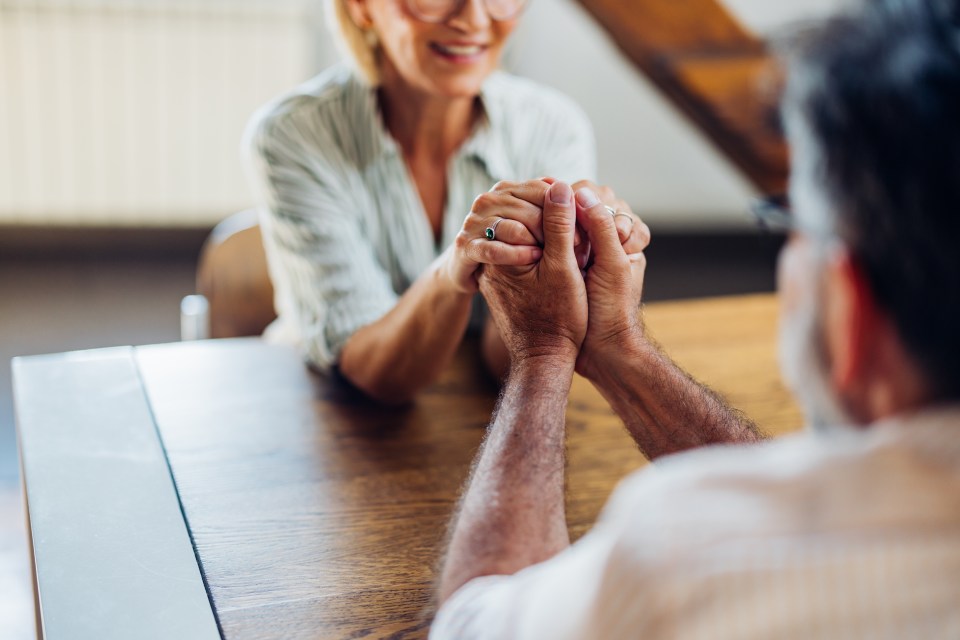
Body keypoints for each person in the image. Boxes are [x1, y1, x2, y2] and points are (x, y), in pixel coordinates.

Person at [431, 0, 960, 636]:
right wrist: (619, 347)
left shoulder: (682, 558)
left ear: (849, 306)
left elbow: (473, 623)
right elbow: (832, 495)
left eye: (794, 224)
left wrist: (542, 350)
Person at [244, 0, 644, 403]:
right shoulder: (292, 134)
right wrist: (458, 265)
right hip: (326, 409)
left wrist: (575, 262)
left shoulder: (553, 126)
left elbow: (508, 360)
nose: (473, 19)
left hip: (476, 405)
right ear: (361, 8)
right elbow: (374, 372)